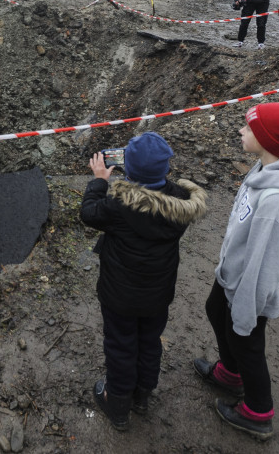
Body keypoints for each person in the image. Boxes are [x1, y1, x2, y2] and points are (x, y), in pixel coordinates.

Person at [194, 102, 279, 442]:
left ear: (269, 141)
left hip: (248, 289)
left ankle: (258, 412)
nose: (241, 131)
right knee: (213, 310)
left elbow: (266, 264)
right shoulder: (266, 166)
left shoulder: (278, 205)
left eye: (249, 129)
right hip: (233, 275)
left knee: (246, 340)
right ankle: (230, 373)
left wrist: (246, 310)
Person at [82, 133, 208, 431]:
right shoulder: (180, 203)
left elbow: (88, 213)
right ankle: (142, 396)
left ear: (127, 170)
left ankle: (118, 403)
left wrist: (100, 181)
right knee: (149, 342)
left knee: (121, 345)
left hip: (119, 295)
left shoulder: (118, 204)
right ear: (166, 169)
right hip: (157, 294)